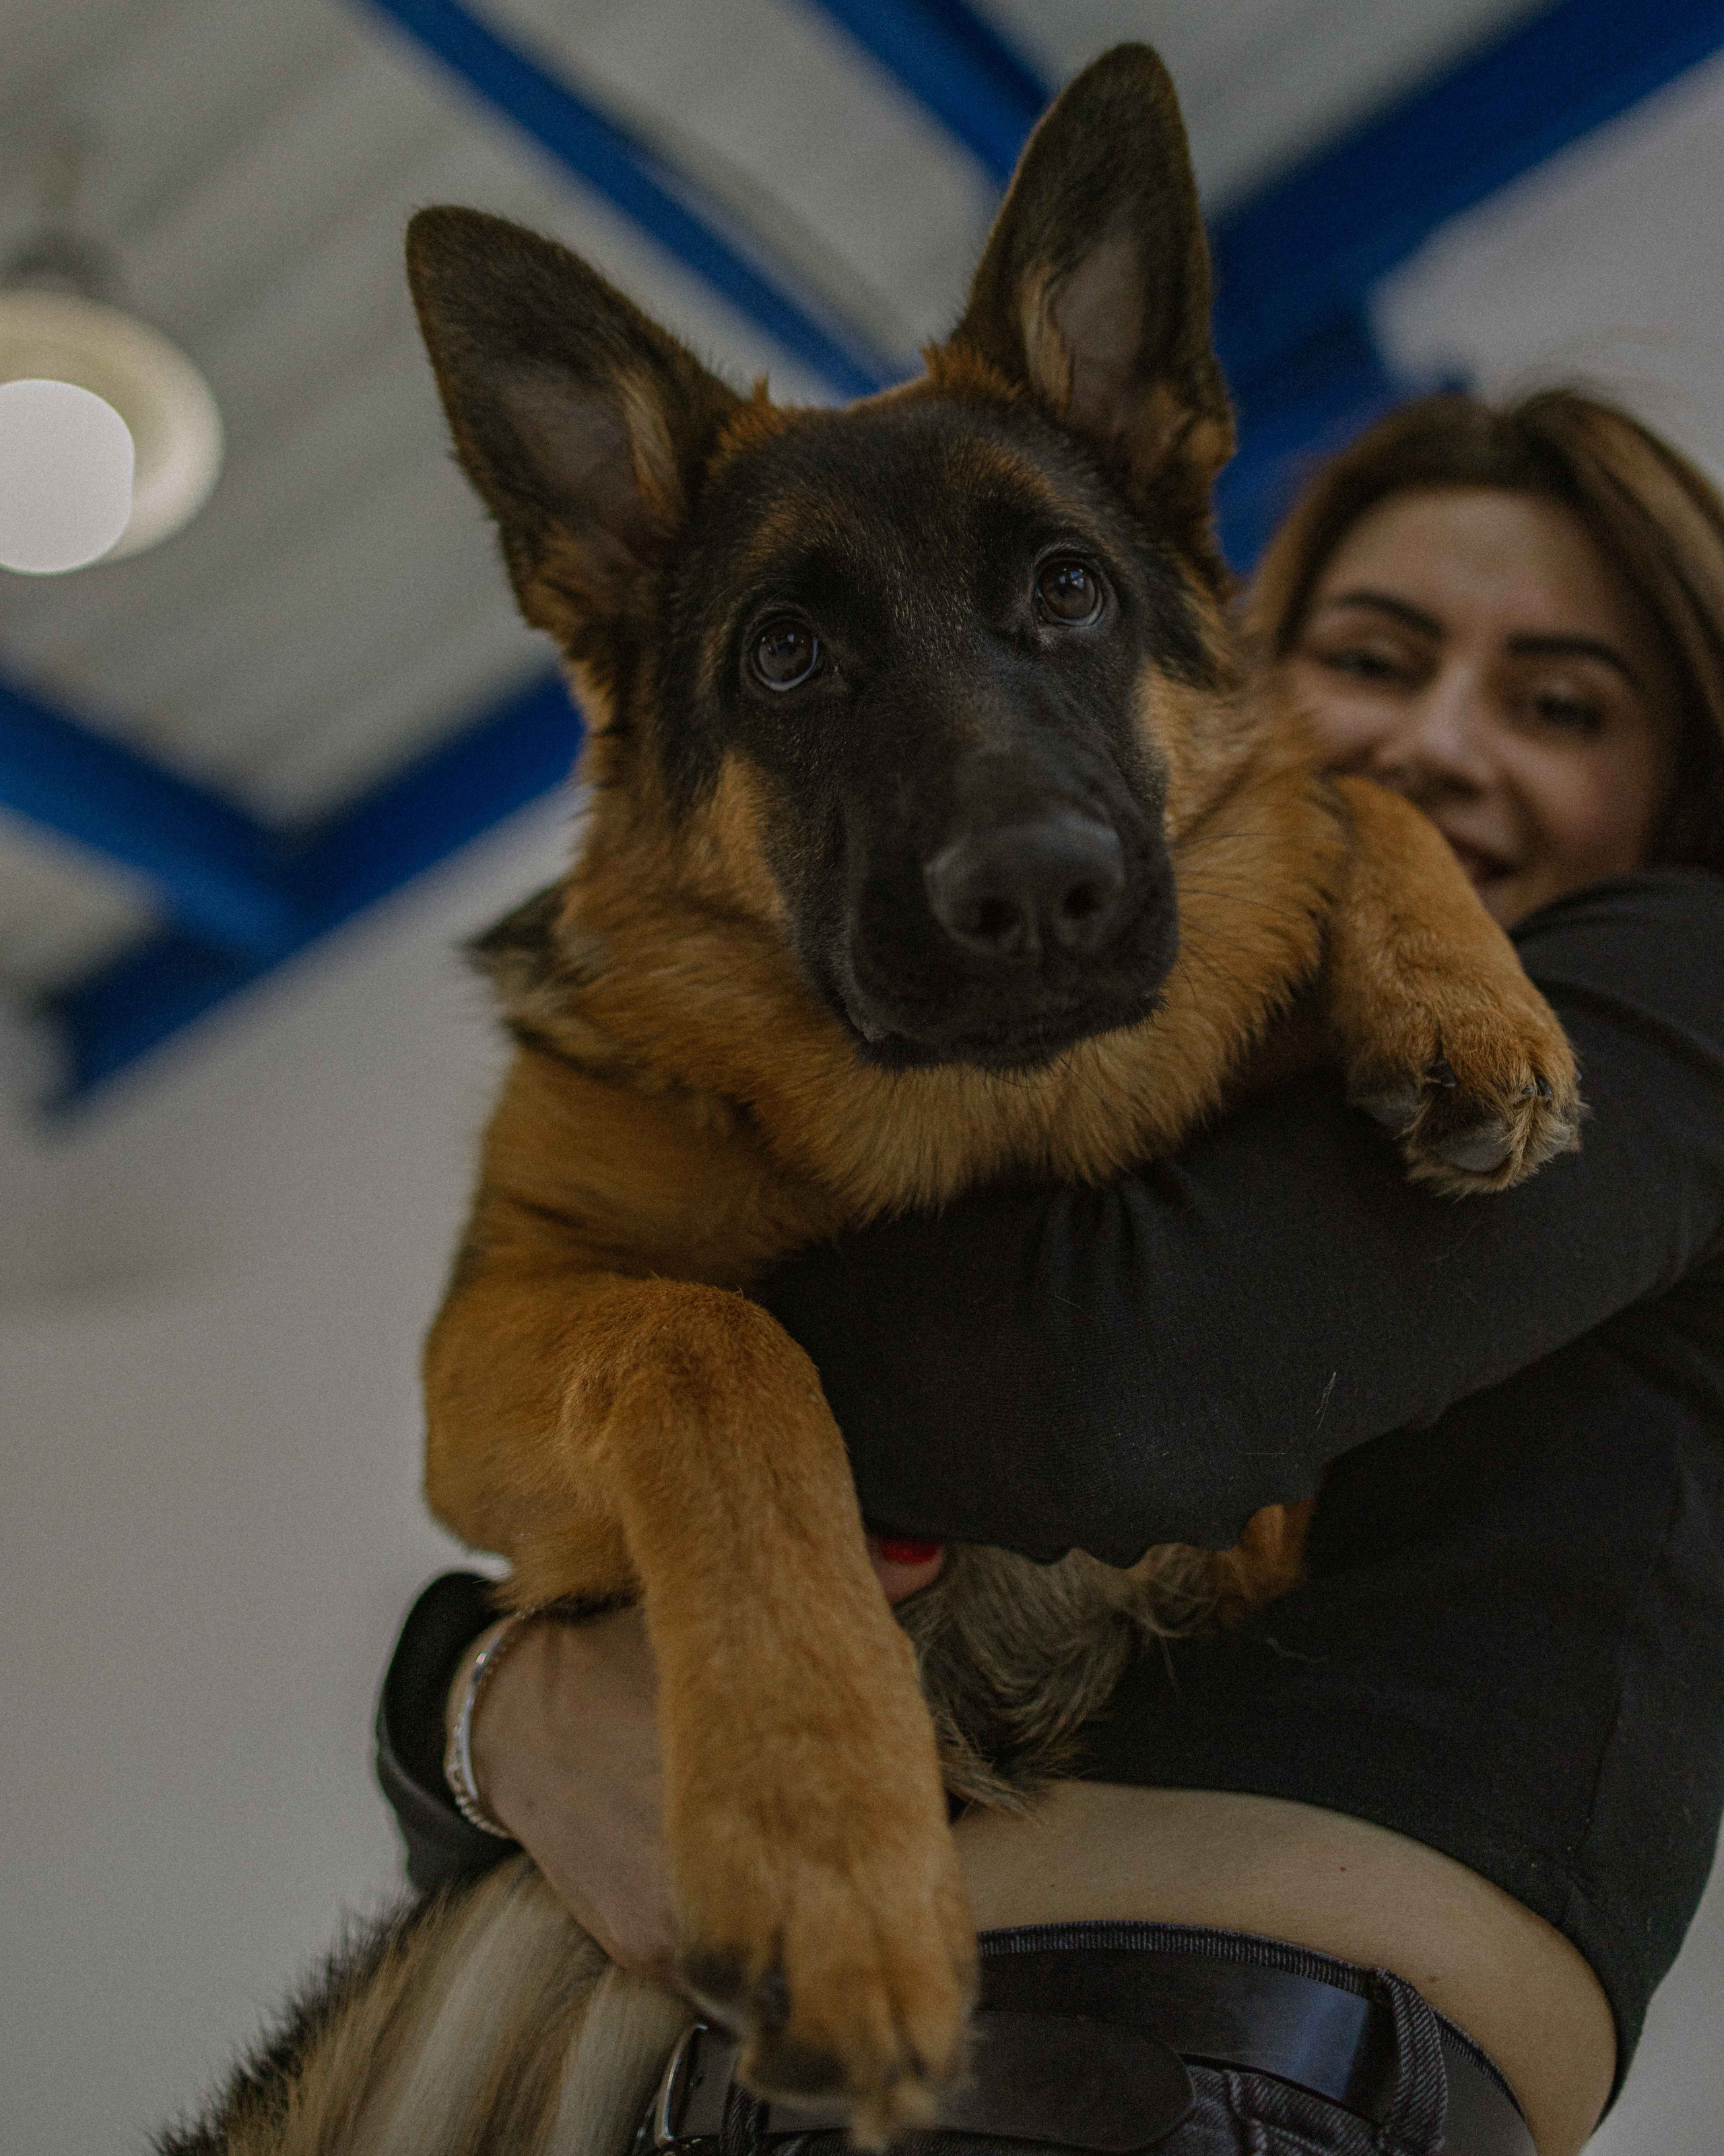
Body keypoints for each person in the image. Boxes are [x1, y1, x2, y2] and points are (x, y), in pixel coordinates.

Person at [376, 389, 1724, 2156]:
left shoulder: (1679, 980)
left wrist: (637, 1432)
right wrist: (494, 1704)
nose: (1435, 745)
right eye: (1374, 659)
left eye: (1559, 705)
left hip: (1206, 2078)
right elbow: (491, 1642)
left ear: (1681, 773)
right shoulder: (1090, 1043)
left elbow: (1108, 1391)